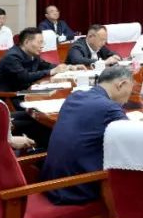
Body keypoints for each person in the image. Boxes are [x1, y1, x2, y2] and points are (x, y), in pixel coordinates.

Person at [40, 64, 134, 204]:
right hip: (76, 190)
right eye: (130, 92)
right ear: (121, 84)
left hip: (50, 183)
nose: (127, 100)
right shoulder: (109, 108)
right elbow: (133, 137)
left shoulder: (74, 96)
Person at [0, 27, 78, 93]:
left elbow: (46, 65)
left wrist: (68, 67)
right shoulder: (12, 56)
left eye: (43, 42)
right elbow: (24, 77)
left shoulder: (32, 53)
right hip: (9, 97)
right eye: (39, 42)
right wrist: (51, 71)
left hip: (25, 90)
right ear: (26, 42)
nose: (42, 46)